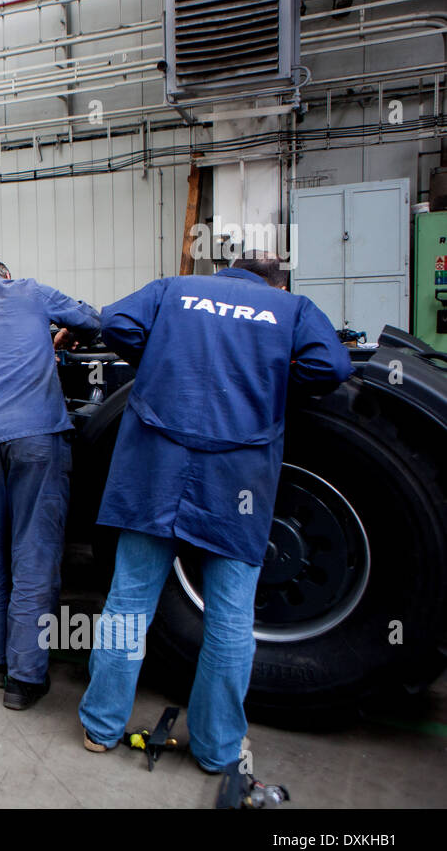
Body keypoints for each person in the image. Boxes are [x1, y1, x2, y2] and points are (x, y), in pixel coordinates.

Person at [78, 253, 353, 773]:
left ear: (225, 270)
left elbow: (114, 321)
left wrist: (156, 357)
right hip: (237, 477)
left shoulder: (175, 288)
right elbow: (332, 366)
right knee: (229, 621)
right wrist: (273, 383)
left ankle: (101, 727)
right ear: (276, 280)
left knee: (128, 603)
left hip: (154, 466)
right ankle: (217, 749)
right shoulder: (289, 307)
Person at [0, 257, 101, 710]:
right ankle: (25, 678)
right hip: (35, 434)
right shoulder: (31, 291)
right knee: (34, 552)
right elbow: (91, 319)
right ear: (6, 276)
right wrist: (67, 332)